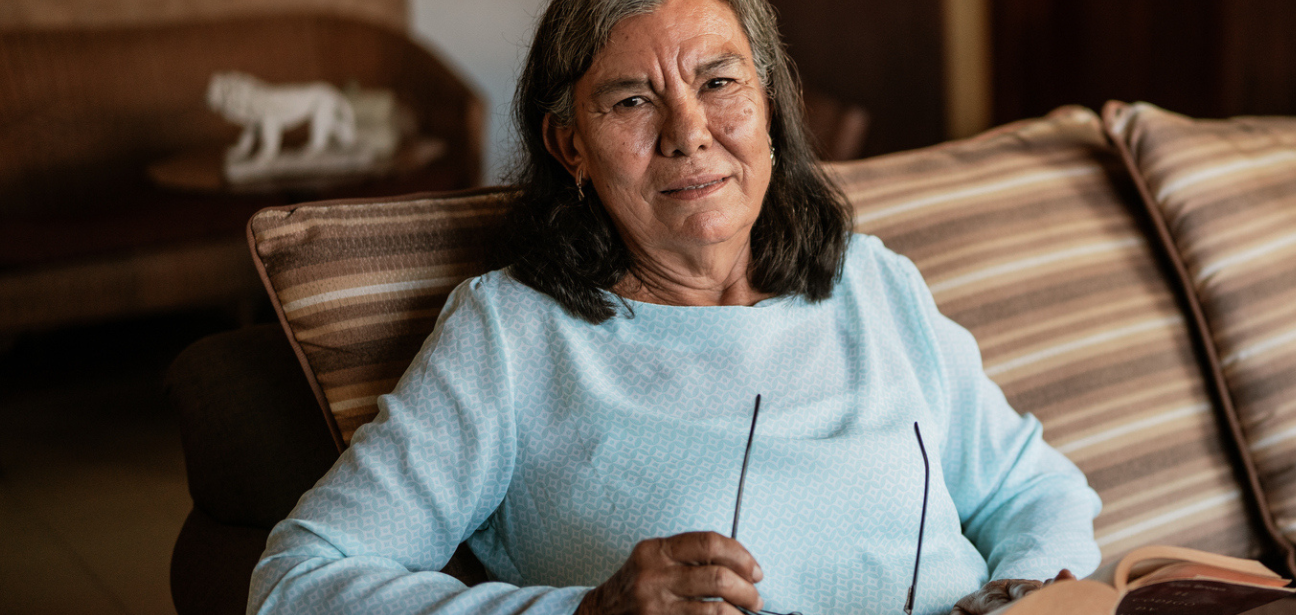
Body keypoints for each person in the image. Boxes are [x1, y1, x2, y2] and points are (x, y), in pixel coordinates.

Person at [245, 0, 1102, 612]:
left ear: (769, 105)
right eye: (631, 100)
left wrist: (1017, 597)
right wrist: (588, 614)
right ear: (569, 143)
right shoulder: (514, 336)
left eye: (719, 81)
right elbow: (298, 579)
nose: (688, 130)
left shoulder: (873, 283)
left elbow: (1033, 487)